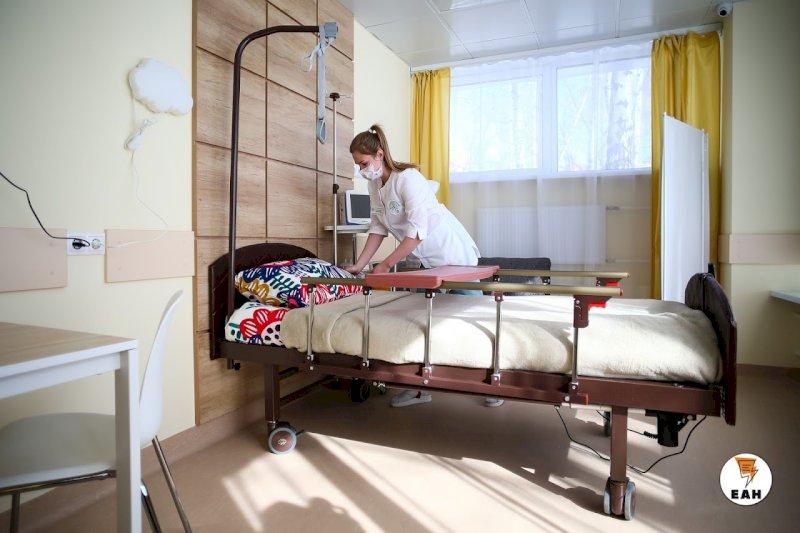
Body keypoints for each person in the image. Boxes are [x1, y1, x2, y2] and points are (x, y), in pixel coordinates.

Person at [346, 124, 503, 409]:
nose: (361, 170)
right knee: (420, 322)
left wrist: (386, 265)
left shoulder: (408, 179)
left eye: (364, 163)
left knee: (475, 320)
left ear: (380, 154)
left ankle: (494, 383)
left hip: (452, 256)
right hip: (424, 261)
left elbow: (417, 232)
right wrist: (360, 265)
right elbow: (378, 228)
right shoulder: (374, 186)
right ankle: (418, 388)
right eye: (358, 165)